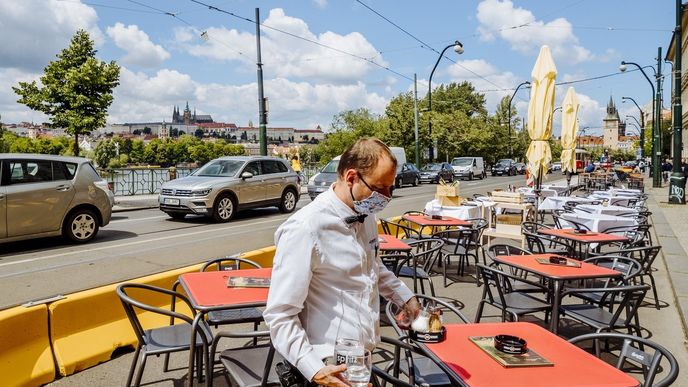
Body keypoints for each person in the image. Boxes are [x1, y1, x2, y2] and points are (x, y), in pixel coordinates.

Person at [264, 138, 420, 387]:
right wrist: (315, 370)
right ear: (351, 178)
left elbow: (373, 266)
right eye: (381, 188)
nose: (387, 197)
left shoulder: (366, 214)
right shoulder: (305, 228)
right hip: (326, 366)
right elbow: (280, 315)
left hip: (361, 360)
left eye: (390, 188)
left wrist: (405, 298)